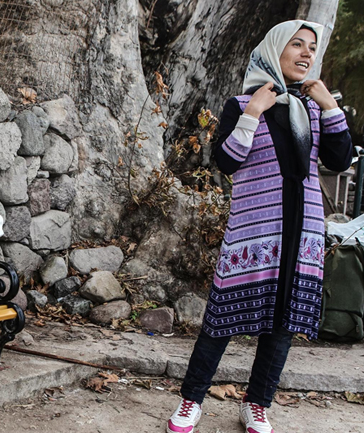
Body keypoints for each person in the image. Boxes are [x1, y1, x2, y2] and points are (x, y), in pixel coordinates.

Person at [166, 20, 352, 433]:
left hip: (302, 234)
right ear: (274, 49)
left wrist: (330, 107)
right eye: (297, 44)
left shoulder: (313, 109)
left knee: (282, 327)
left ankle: (257, 403)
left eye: (312, 47)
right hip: (256, 234)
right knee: (221, 319)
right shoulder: (240, 104)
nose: (306, 53)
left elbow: (339, 161)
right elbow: (227, 161)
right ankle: (191, 400)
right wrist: (253, 112)